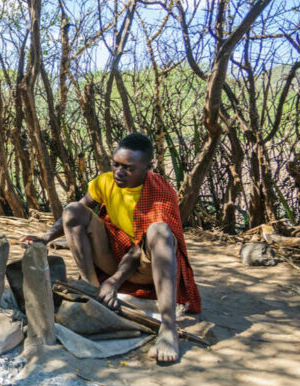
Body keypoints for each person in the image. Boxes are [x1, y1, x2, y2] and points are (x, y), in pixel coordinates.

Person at [21, 133, 200, 362]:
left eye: (128, 168)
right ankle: (92, 290)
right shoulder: (105, 182)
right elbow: (79, 211)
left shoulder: (161, 193)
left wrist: (114, 281)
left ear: (148, 167)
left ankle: (168, 327)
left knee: (161, 232)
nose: (118, 172)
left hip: (145, 265)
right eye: (115, 164)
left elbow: (139, 250)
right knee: (73, 210)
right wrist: (45, 238)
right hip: (113, 255)